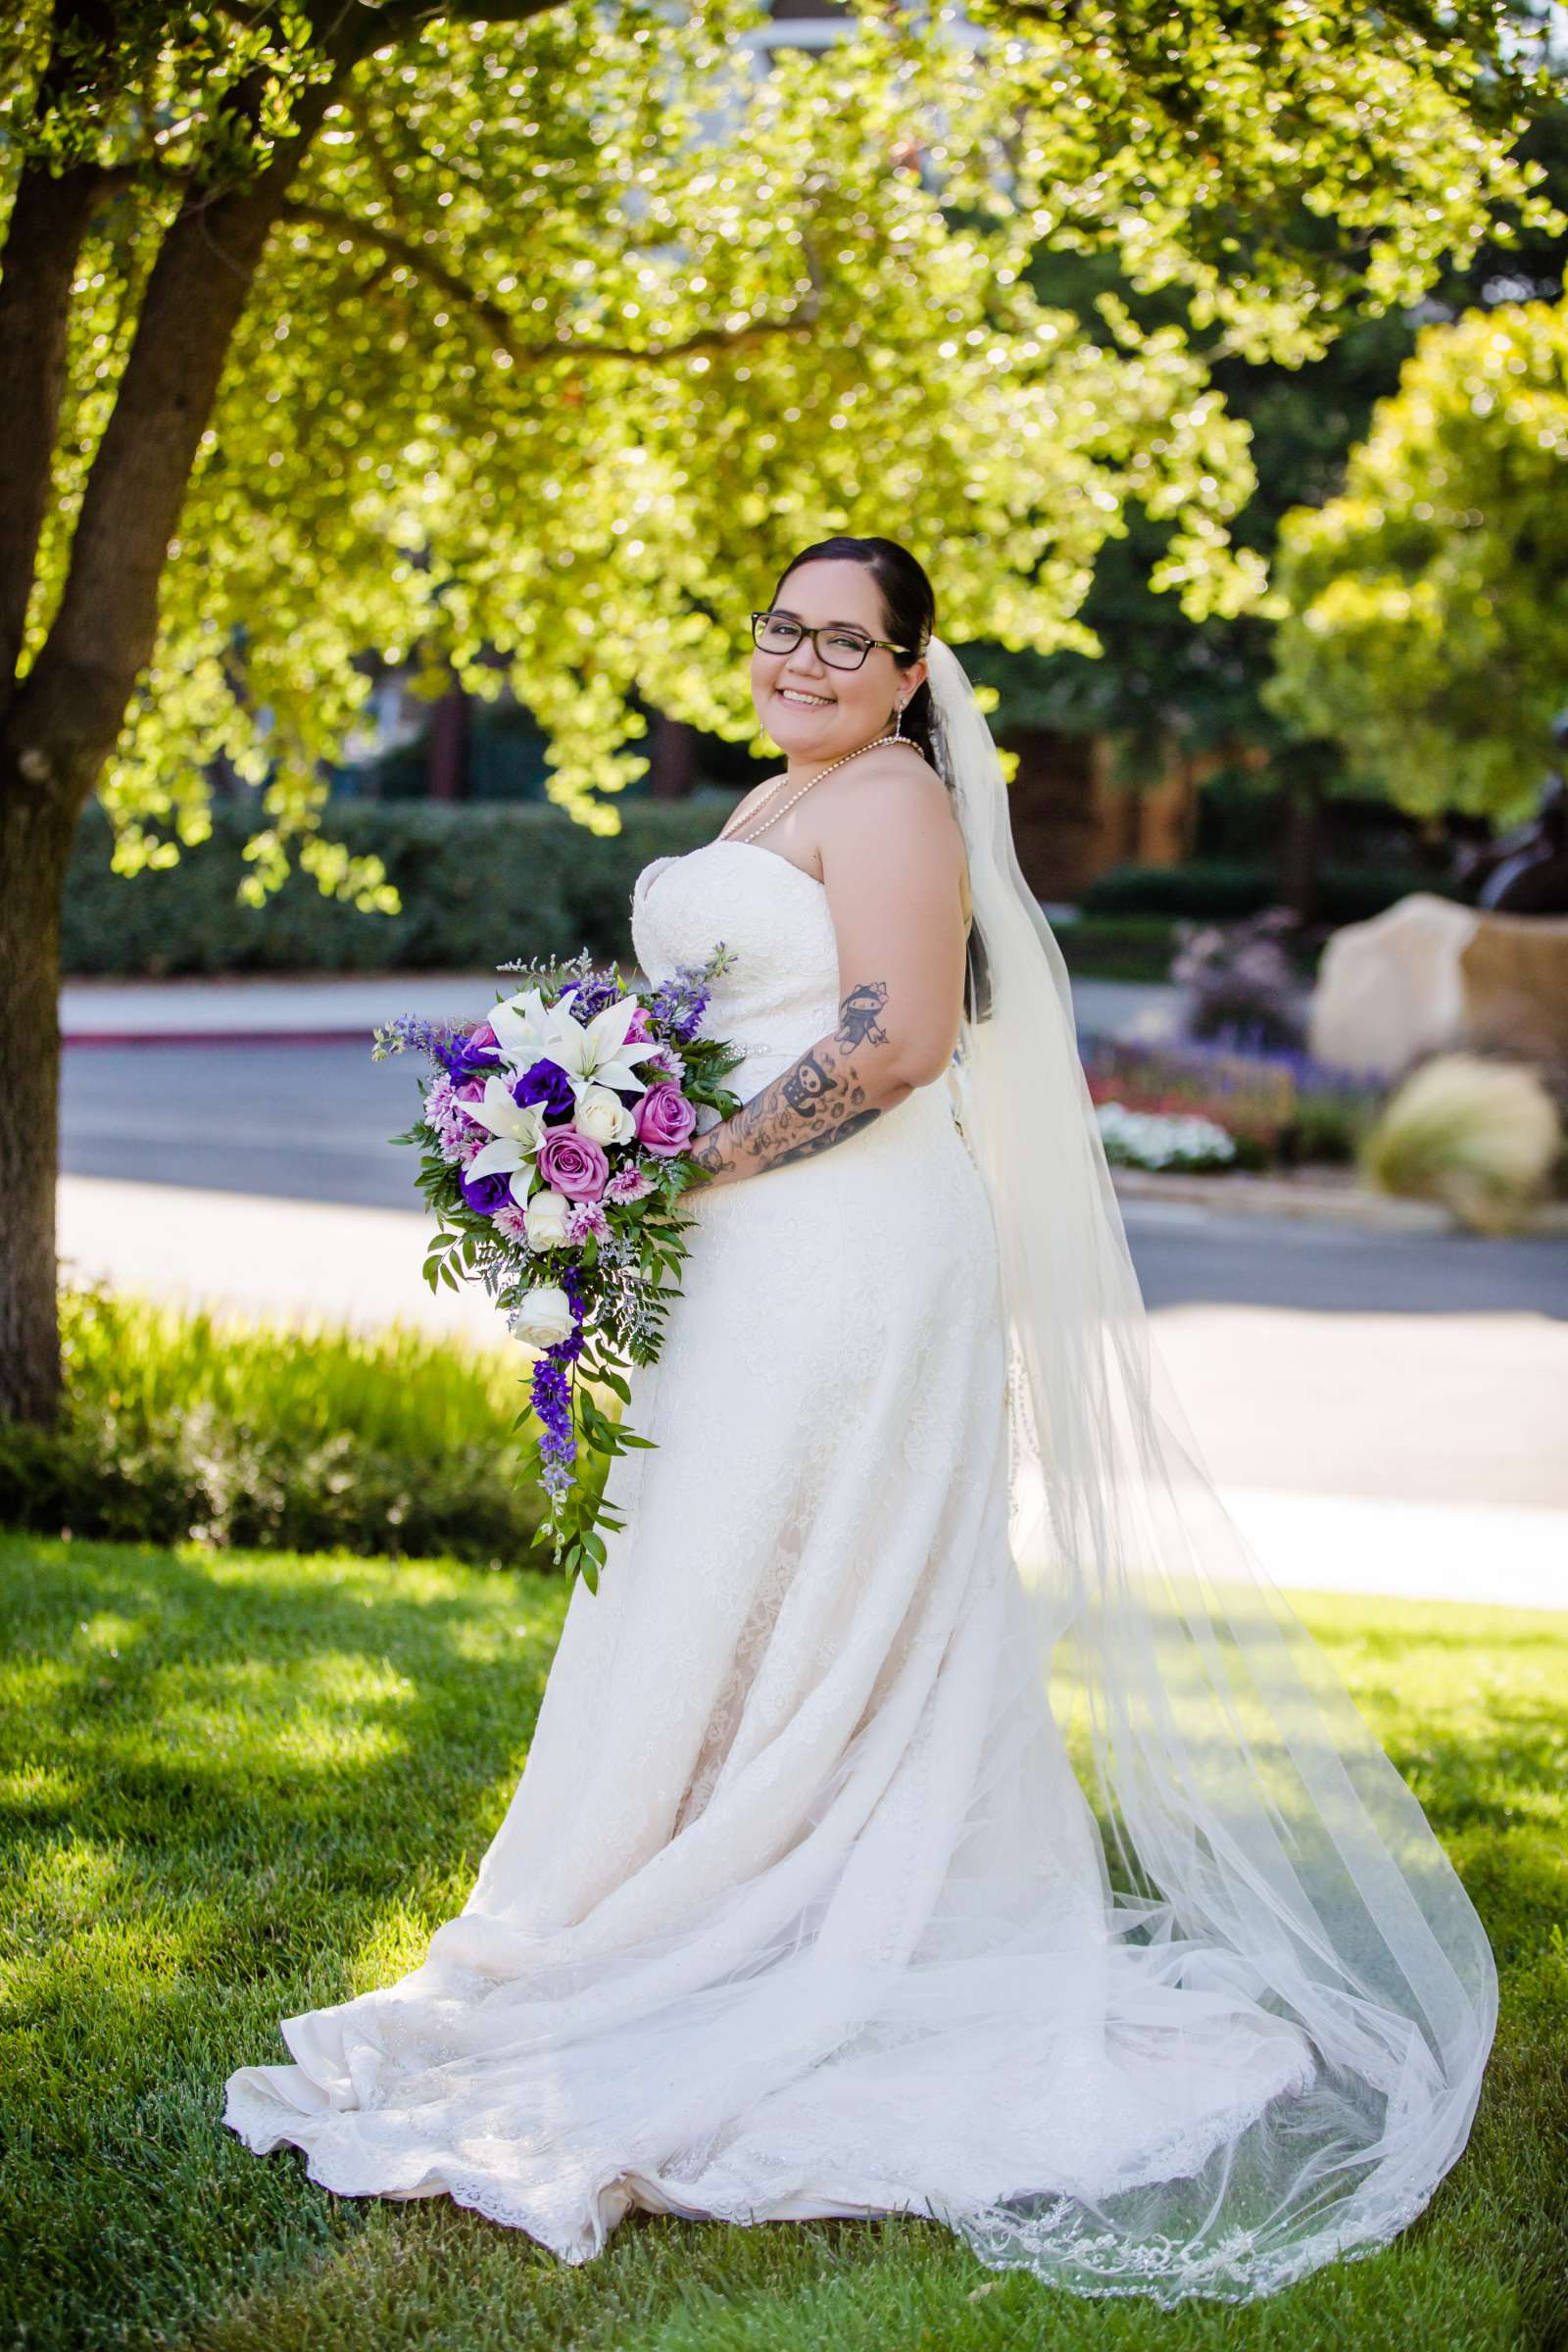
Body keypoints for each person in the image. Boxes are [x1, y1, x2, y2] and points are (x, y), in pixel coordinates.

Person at [223, 536, 1495, 2303]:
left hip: (848, 1256)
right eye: (782, 627)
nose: (803, 659)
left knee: (811, 1571)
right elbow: (734, 1018)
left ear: (912, 673)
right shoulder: (775, 797)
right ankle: (701, 1877)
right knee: (725, 1569)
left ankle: (809, 1913)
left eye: (846, 640)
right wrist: (601, 1120)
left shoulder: (890, 802)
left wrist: (677, 1172)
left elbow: (892, 1047)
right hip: (761, 1256)